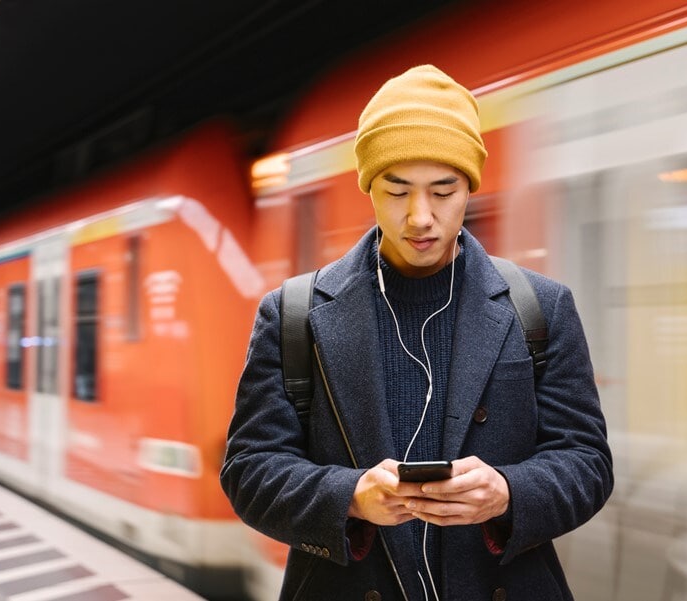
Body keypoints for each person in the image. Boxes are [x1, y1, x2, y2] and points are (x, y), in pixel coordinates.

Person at [220, 64, 612, 601]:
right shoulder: (293, 315)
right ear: (370, 189)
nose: (420, 217)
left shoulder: (541, 307)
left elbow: (588, 462)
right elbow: (248, 470)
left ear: (469, 187)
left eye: (443, 190)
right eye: (397, 191)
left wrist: (507, 494)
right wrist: (350, 497)